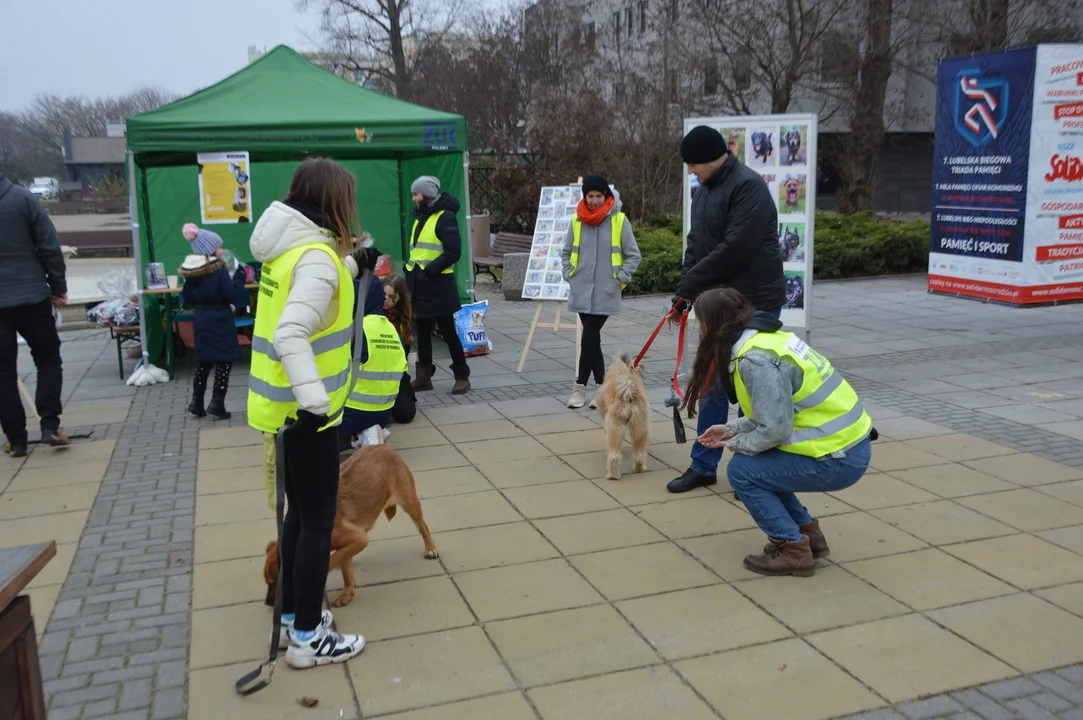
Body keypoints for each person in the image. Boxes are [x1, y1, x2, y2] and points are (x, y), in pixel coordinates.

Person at [247, 157, 366, 668]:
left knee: (299, 519)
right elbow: (292, 331)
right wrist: (317, 401)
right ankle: (308, 639)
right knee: (318, 524)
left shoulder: (291, 249)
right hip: (309, 415)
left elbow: (315, 291)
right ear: (335, 201)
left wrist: (354, 265)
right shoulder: (316, 256)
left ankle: (291, 621)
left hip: (284, 413)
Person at [686, 288, 872, 577]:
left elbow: (774, 429)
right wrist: (731, 428)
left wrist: (736, 444)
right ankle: (810, 537)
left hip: (840, 457)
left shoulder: (755, 361)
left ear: (711, 324)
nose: (697, 328)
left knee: (742, 472)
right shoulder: (766, 339)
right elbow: (776, 412)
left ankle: (792, 549)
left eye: (698, 321)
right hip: (847, 445)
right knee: (759, 468)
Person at [668, 125, 787, 494]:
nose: (690, 172)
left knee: (755, 388)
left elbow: (736, 248)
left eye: (693, 164)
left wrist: (692, 286)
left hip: (754, 304)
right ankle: (704, 464)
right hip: (717, 305)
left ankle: (753, 470)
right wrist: (684, 293)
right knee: (712, 387)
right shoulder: (703, 191)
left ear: (711, 157)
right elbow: (697, 243)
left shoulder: (748, 187)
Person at [0, 172, 69, 457]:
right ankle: (50, 425)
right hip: (32, 296)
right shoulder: (23, 198)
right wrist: (57, 286)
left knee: (3, 377)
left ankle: (16, 441)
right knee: (48, 359)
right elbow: (49, 246)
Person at [560, 174, 641, 409]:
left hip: (606, 292)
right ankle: (603, 392)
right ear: (585, 196)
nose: (594, 200)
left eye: (598, 196)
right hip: (581, 290)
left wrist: (620, 279)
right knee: (593, 340)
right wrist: (569, 274)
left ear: (606, 196)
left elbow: (634, 255)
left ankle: (579, 388)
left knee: (588, 339)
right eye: (590, 196)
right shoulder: (577, 220)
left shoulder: (619, 220)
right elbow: (565, 252)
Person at [338, 246, 408, 450]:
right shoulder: (393, 330)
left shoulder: (356, 330)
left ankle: (356, 439)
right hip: (385, 411)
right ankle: (369, 431)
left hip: (354, 410)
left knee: (312, 439)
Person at [405, 175, 470, 395]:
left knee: (448, 332)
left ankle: (462, 376)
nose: (414, 198)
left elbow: (453, 252)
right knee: (422, 332)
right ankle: (424, 377)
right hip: (420, 284)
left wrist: (429, 270)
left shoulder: (445, 217)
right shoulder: (421, 217)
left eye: (416, 194)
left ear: (426, 195)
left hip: (438, 284)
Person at [178, 244, 245, 420]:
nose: (222, 249)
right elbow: (231, 294)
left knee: (203, 363)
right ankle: (217, 404)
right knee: (223, 363)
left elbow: (187, 297)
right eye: (219, 246)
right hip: (220, 319)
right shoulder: (218, 270)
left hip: (201, 318)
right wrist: (239, 277)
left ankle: (196, 402)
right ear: (212, 249)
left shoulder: (192, 272)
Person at [382, 273, 417, 425]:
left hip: (395, 373)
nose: (387, 301)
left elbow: (403, 355)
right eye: (384, 295)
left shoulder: (403, 318)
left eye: (392, 297)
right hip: (374, 372)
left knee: (406, 414)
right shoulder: (369, 311)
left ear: (400, 298)